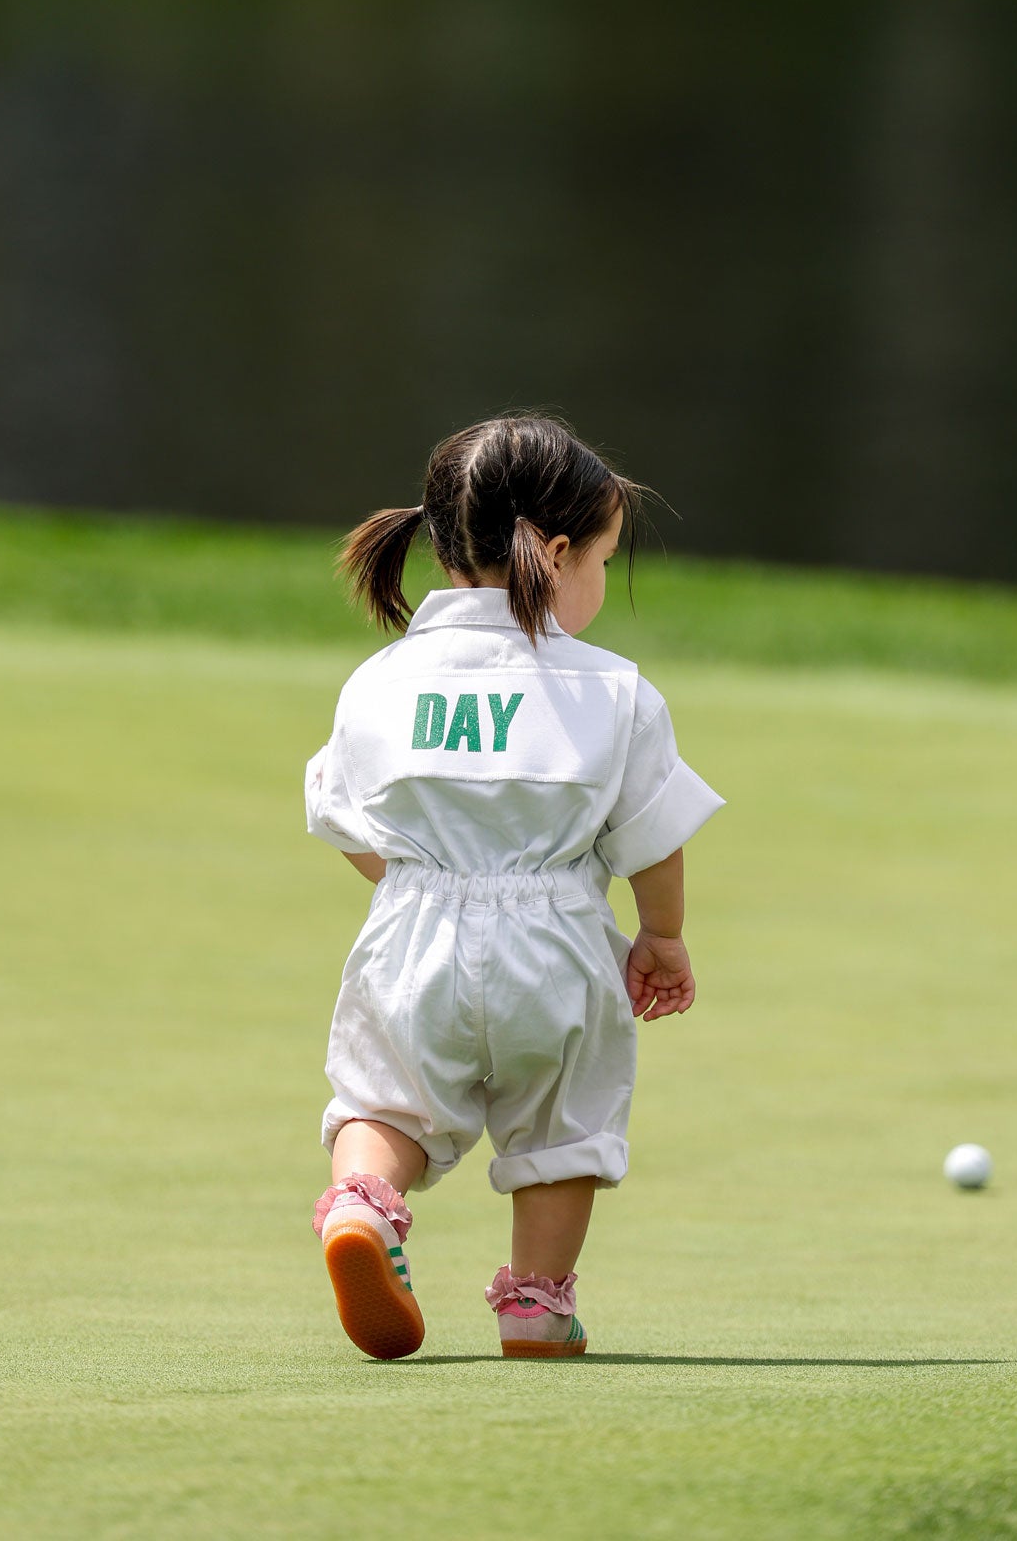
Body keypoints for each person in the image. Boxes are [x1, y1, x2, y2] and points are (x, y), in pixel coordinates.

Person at [305, 414, 724, 1359]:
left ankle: (365, 1210)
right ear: (561, 552)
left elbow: (341, 816)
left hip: (413, 934)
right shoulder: (612, 691)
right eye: (605, 564)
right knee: (561, 1128)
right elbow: (652, 835)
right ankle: (535, 1303)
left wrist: (416, 878)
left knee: (384, 1103)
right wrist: (662, 936)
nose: (602, 587)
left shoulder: (380, 679)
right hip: (559, 943)